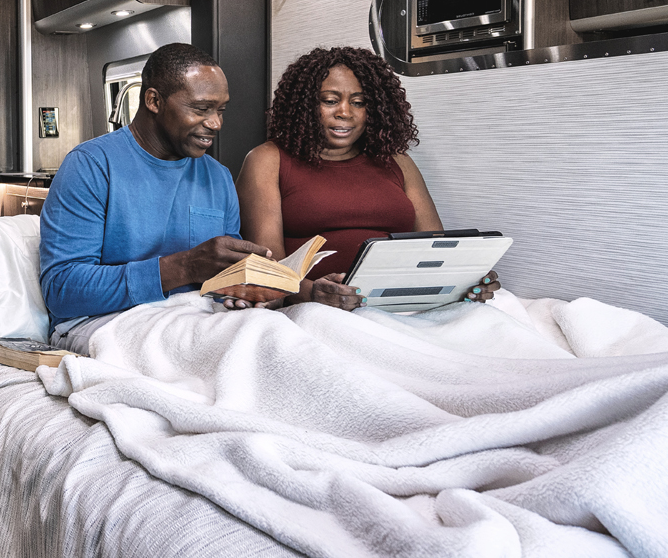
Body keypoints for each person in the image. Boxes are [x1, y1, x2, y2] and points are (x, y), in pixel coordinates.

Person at [39, 43, 271, 352]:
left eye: (221, 110)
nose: (216, 123)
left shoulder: (218, 177)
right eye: (201, 109)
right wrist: (184, 267)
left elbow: (222, 278)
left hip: (195, 316)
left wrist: (245, 289)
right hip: (102, 322)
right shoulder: (91, 166)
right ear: (153, 101)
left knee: (292, 335)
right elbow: (63, 290)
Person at [238, 45, 500, 309]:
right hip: (314, 307)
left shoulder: (397, 161)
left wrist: (464, 280)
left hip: (400, 304)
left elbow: (436, 248)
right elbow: (269, 267)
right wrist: (314, 293)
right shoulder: (267, 160)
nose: (345, 112)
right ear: (304, 105)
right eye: (330, 100)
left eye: (359, 102)